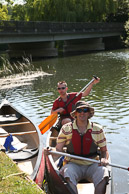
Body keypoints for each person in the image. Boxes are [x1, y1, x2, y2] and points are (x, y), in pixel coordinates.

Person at [56, 100, 109, 194]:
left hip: (92, 164)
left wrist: (104, 158)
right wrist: (51, 153)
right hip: (73, 164)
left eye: (85, 110)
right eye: (79, 110)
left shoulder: (98, 129)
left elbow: (104, 150)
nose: (82, 113)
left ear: (89, 113)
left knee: (104, 172)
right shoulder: (66, 128)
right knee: (67, 172)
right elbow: (58, 149)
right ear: (75, 113)